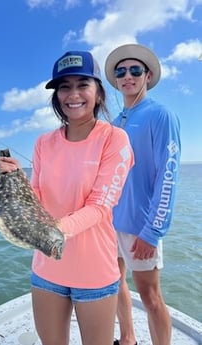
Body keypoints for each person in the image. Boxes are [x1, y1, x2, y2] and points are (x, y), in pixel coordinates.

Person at [0, 50, 134, 345]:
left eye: (82, 84)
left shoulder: (115, 139)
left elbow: (99, 206)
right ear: (57, 95)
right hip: (47, 270)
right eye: (64, 86)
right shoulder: (44, 142)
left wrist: (55, 230)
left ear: (98, 93)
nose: (73, 94)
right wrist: (16, 180)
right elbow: (37, 198)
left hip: (94, 272)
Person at [104, 44, 181, 345]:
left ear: (147, 76)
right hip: (110, 224)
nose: (128, 76)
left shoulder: (161, 115)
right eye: (121, 71)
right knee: (114, 283)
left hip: (141, 225)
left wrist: (153, 231)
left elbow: (169, 174)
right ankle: (128, 339)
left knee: (150, 296)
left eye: (135, 70)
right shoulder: (113, 124)